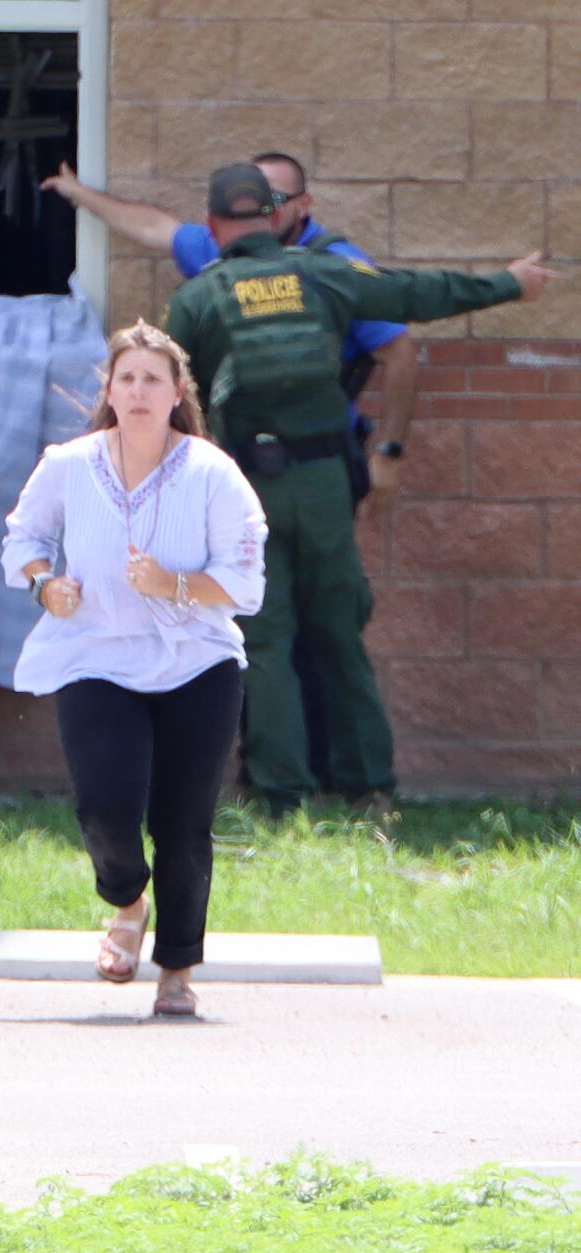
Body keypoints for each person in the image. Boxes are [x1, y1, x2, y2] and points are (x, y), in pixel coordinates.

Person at [161, 164, 556, 810]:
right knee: (339, 634)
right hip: (323, 482)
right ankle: (370, 789)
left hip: (242, 494)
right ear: (275, 216)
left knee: (264, 642)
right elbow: (413, 295)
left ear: (211, 226)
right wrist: (508, 284)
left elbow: (172, 404)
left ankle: (280, 796)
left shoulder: (199, 297)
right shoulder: (322, 273)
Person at [3, 323, 267, 1017]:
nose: (140, 391)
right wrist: (44, 585)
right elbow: (25, 536)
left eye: (154, 379)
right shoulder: (68, 463)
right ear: (111, 392)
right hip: (96, 655)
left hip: (197, 663)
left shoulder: (212, 472)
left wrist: (174, 583)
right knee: (105, 806)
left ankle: (177, 968)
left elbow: (244, 581)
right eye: (128, 379)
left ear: (178, 393)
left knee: (183, 823)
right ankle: (126, 901)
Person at [42, 154, 416, 515]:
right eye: (250, 201)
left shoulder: (339, 268)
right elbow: (155, 228)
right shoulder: (226, 247)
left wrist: (388, 452)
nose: (259, 211)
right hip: (237, 459)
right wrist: (78, 193)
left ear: (304, 205)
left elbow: (399, 353)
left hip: (316, 465)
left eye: (271, 200)